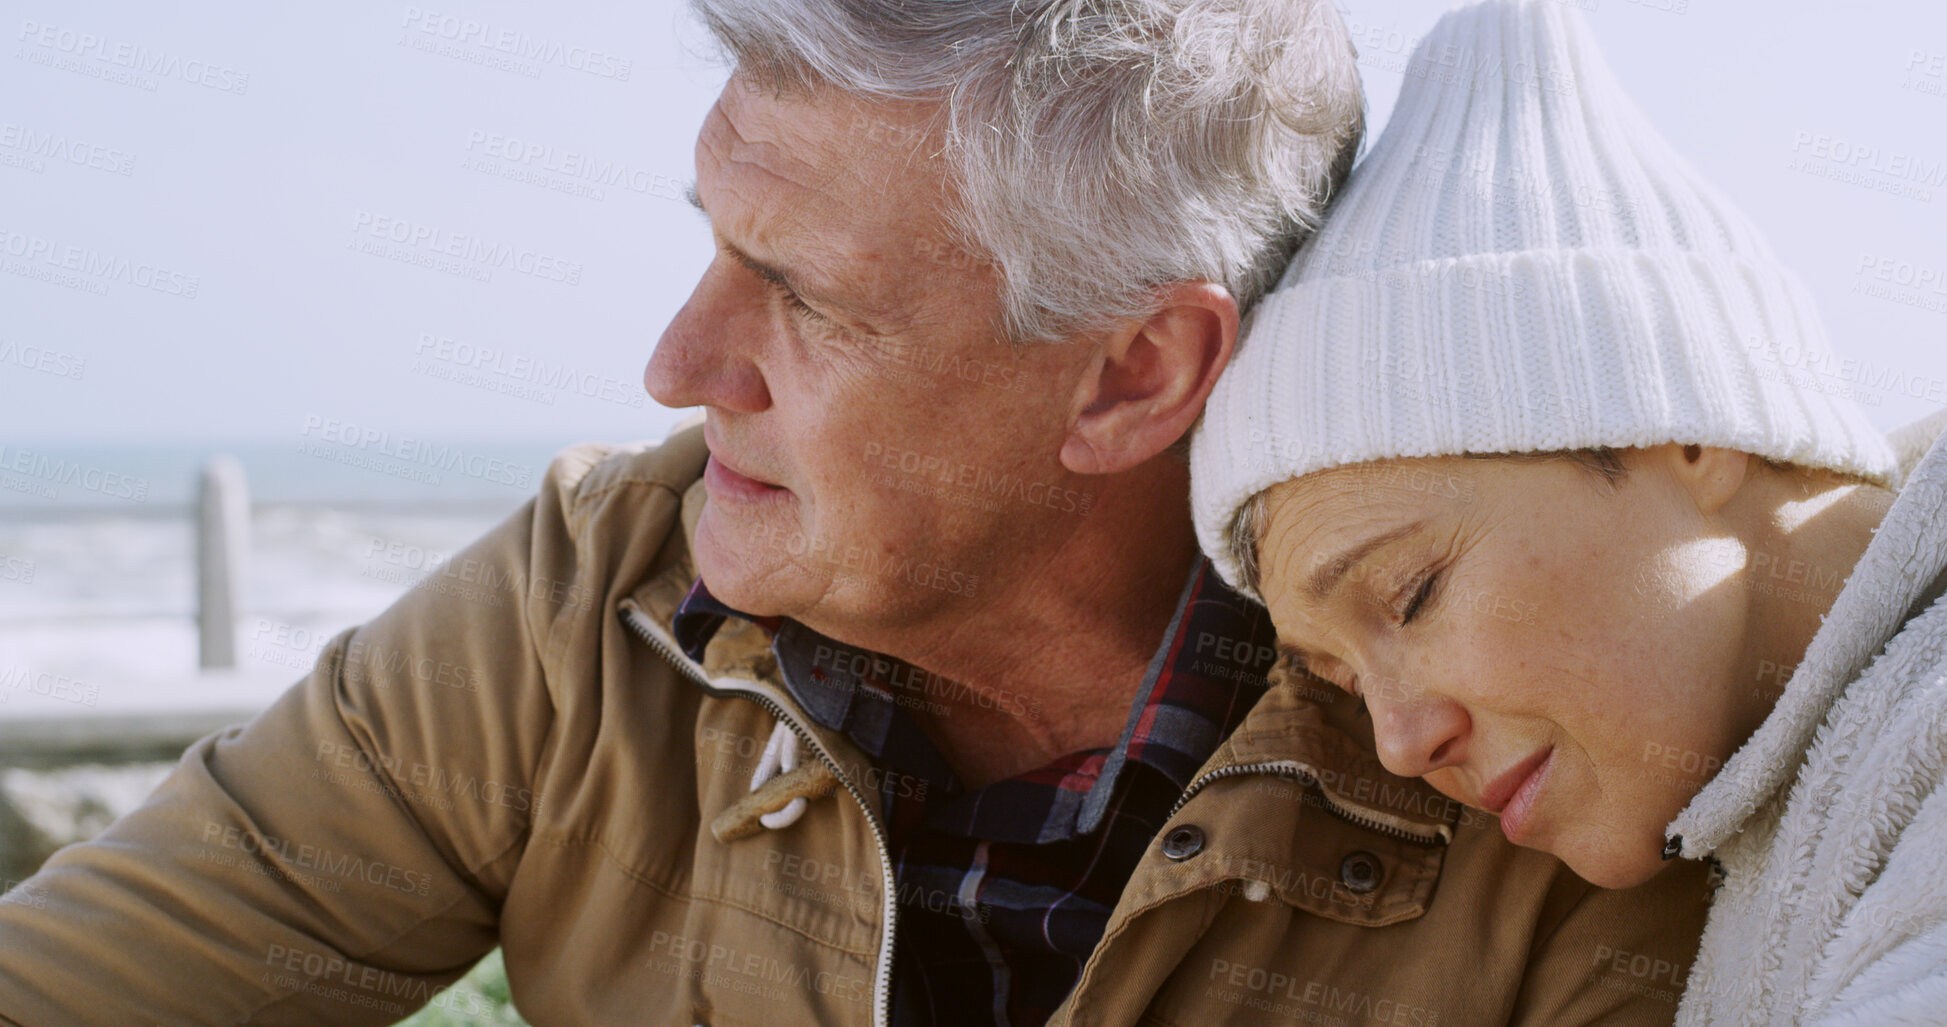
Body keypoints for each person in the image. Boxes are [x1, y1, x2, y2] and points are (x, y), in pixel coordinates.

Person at [0, 0, 1711, 1024]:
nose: (677, 363)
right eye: (710, 242)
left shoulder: (1519, 750)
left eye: (802, 298)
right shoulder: (587, 598)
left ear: (1131, 371)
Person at [1192, 1, 1947, 1023]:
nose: (1401, 745)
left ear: (1693, 426)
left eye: (1411, 596)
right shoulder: (1773, 827)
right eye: (1343, 678)